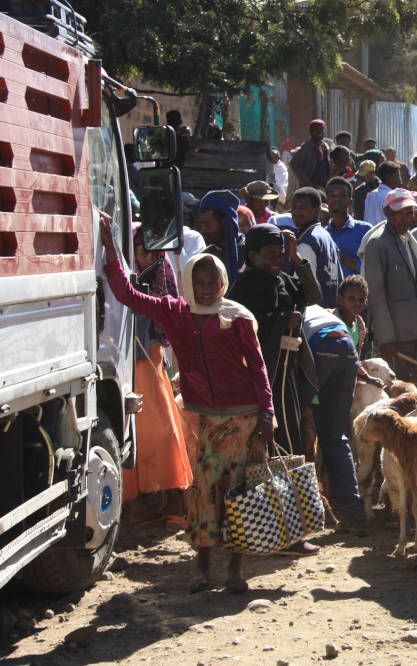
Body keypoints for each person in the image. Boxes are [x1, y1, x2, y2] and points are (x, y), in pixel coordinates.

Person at [99, 218, 273, 594]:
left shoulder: (237, 317)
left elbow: (257, 367)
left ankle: (235, 572)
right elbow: (127, 294)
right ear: (188, 282)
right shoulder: (175, 311)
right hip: (204, 418)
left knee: (239, 491)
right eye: (201, 283)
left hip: (244, 416)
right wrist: (112, 250)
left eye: (214, 283)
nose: (208, 289)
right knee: (205, 492)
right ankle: (203, 569)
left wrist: (267, 413)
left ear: (223, 283)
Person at [229, 223, 322, 459]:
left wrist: (295, 256)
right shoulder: (246, 286)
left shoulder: (282, 279)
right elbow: (247, 325)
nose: (278, 260)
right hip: (264, 371)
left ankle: (289, 489)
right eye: (270, 255)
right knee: (274, 433)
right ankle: (279, 490)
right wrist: (282, 321)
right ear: (252, 255)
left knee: (291, 427)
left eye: (281, 255)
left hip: (286, 368)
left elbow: (313, 295)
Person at [123, 225, 193, 518]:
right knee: (134, 430)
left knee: (164, 431)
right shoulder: (123, 277)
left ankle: (171, 499)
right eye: (140, 250)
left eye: (152, 251)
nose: (145, 256)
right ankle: (135, 500)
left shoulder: (160, 276)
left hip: (151, 357)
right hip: (127, 362)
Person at [302, 304, 368, 530]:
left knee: (300, 428)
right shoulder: (321, 311)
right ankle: (353, 512)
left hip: (321, 347)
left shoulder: (292, 310)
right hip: (346, 347)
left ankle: (305, 509)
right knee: (336, 436)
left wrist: (307, 404)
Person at [363, 189, 417, 380]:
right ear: (388, 213)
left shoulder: (406, 240)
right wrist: (386, 339)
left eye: (410, 213)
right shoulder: (377, 244)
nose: (406, 218)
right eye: (400, 213)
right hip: (395, 338)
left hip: (412, 333)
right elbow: (376, 295)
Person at [289, 187, 342, 308]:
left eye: (302, 208)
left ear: (317, 210)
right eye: (294, 208)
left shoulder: (307, 243)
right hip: (330, 313)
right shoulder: (325, 235)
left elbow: (302, 288)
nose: (296, 212)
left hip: (313, 317)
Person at [325, 177, 372, 277]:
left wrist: (344, 259)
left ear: (350, 201)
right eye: (332, 196)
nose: (337, 200)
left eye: (342, 196)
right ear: (327, 201)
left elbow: (373, 267)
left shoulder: (365, 230)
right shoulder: (322, 234)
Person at [197, 190, 243, 284]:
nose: (203, 230)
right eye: (201, 225)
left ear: (225, 223)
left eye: (207, 225)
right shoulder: (205, 257)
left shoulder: (250, 253)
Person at [289, 119, 331, 189]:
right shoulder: (307, 147)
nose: (320, 132)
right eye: (317, 130)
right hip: (311, 187)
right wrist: (307, 182)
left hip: (323, 186)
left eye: (322, 130)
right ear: (311, 132)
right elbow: (293, 164)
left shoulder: (325, 146)